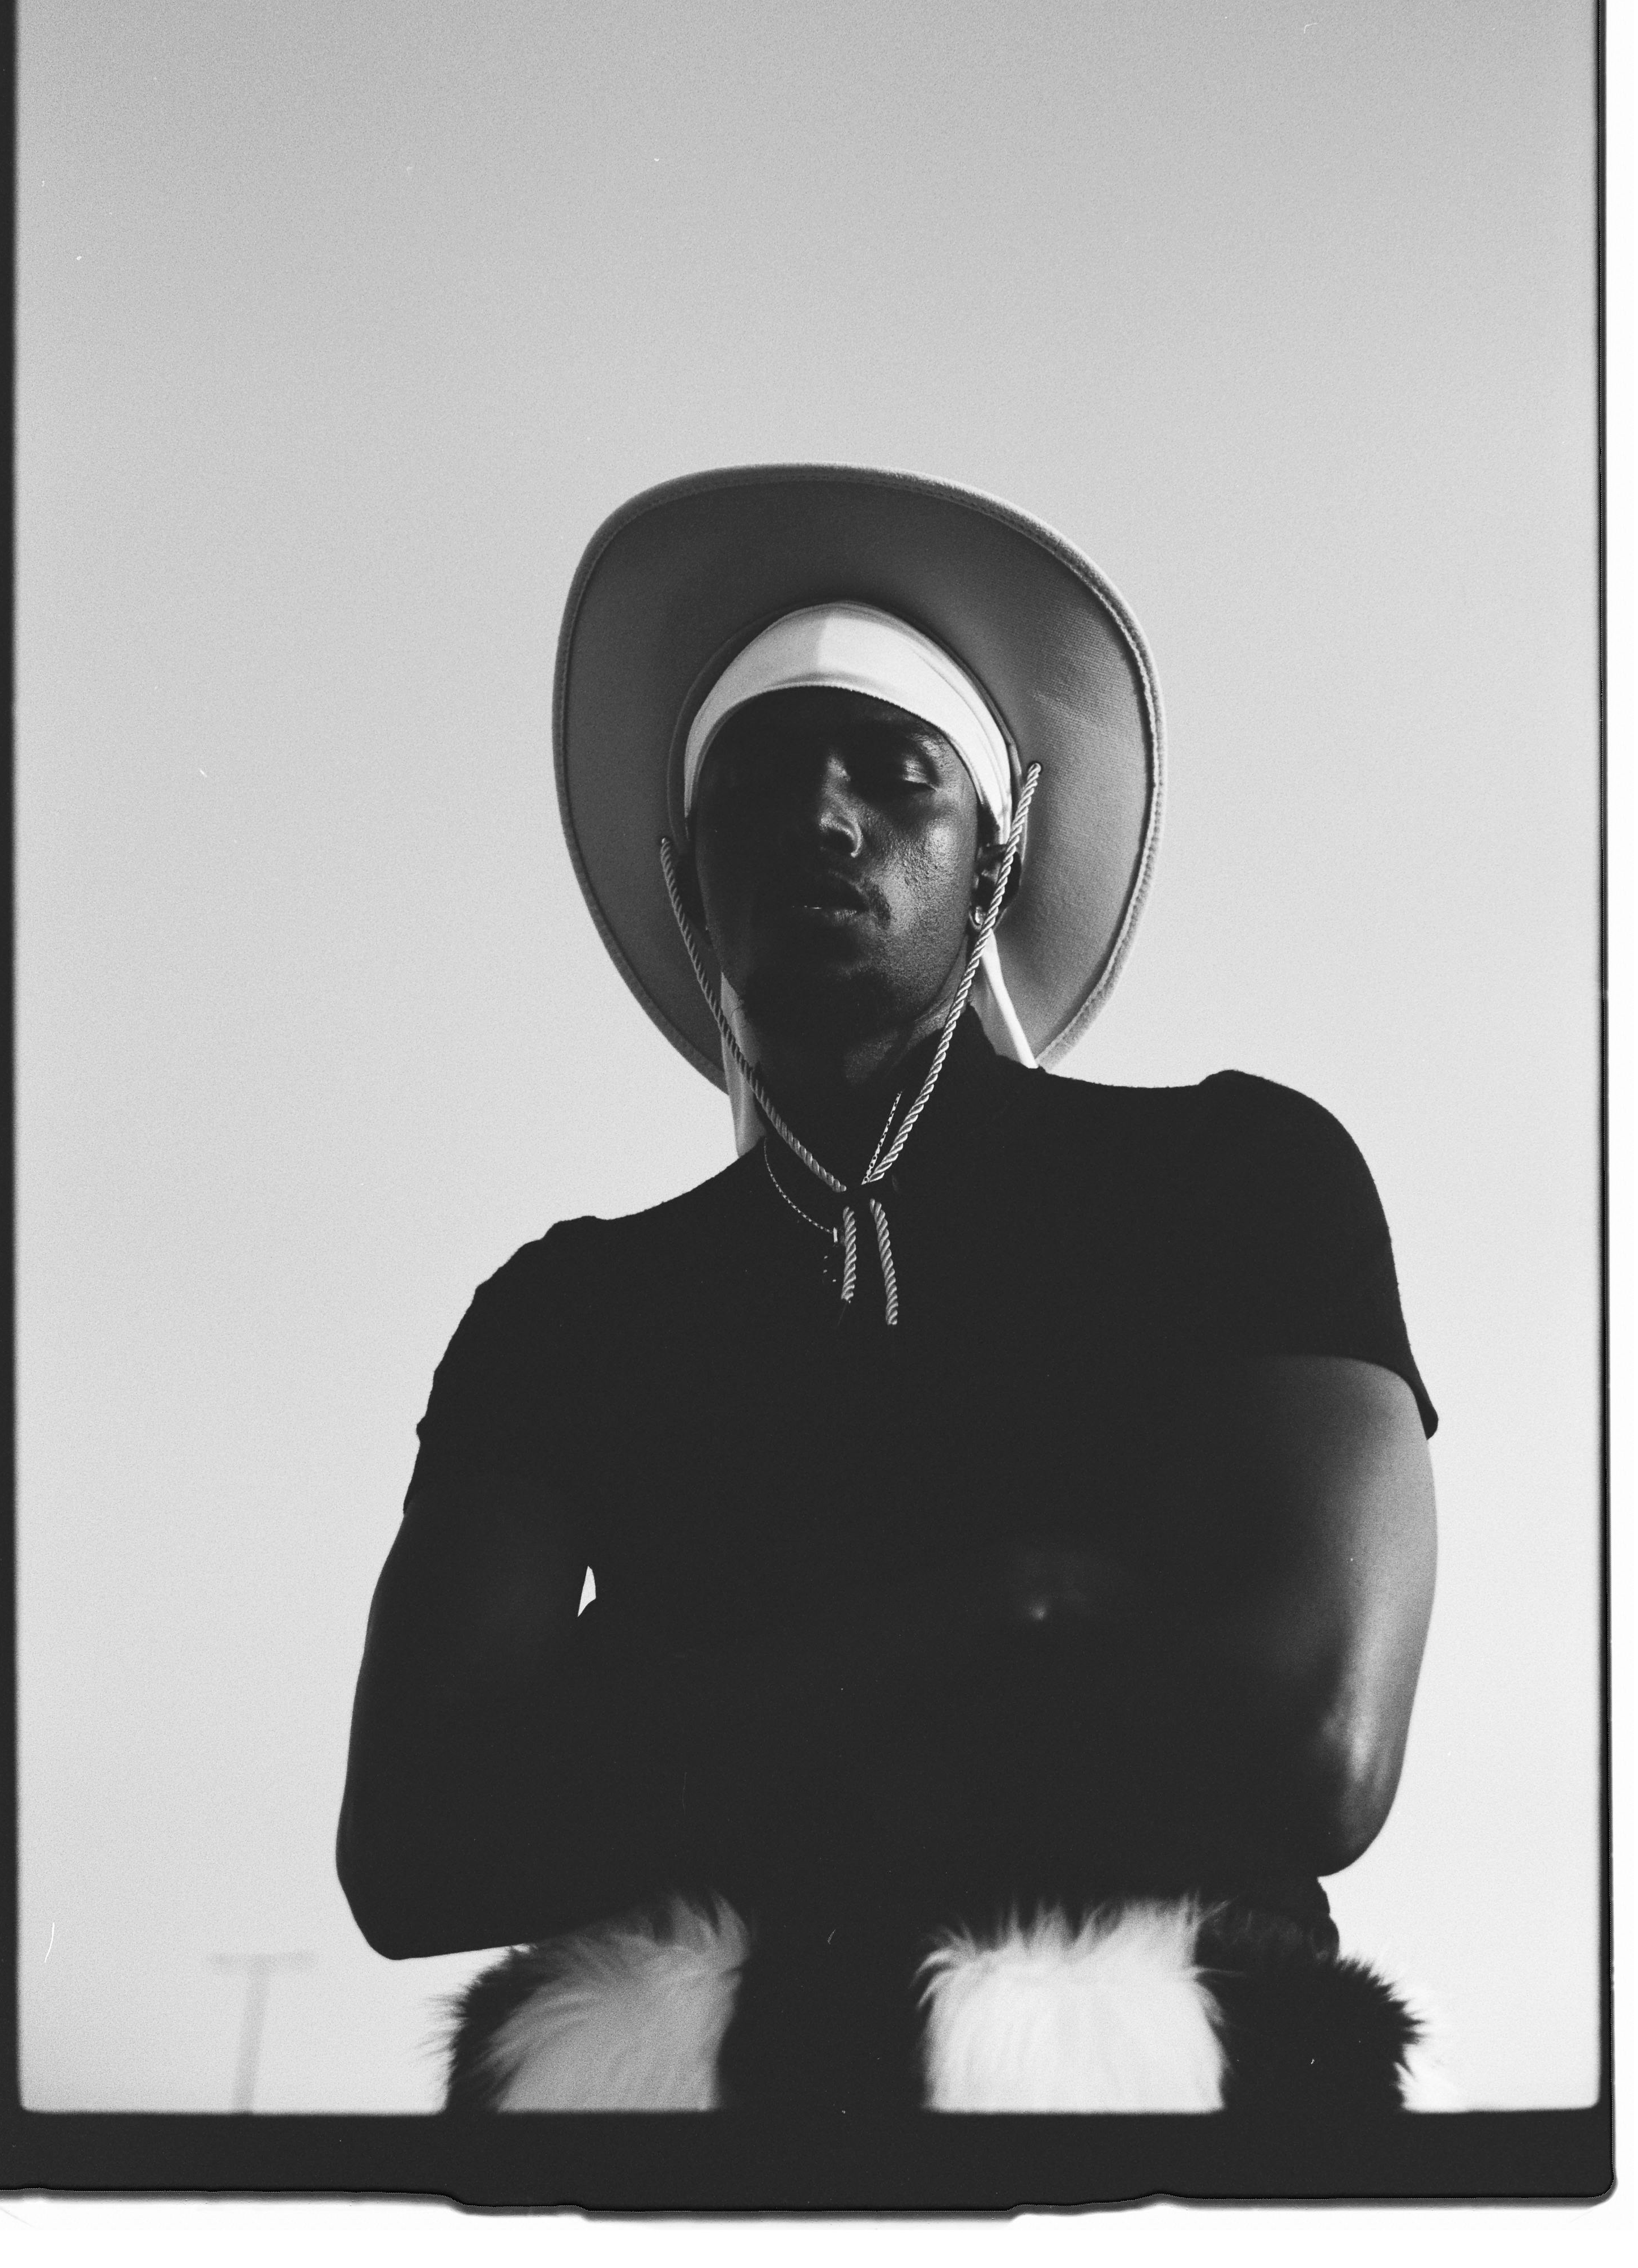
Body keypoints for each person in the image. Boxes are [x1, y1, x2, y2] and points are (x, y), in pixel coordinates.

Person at [337, 466, 1441, 2114]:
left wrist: (649, 1714)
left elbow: (1309, 1755)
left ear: (993, 861)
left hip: (1166, 2143)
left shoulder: (1233, 1182)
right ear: (686, 870)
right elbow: (414, 1852)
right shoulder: (573, 1313)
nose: (827, 817)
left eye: (897, 777)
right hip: (704, 2156)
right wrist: (1012, 1605)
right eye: (765, 779)